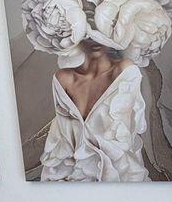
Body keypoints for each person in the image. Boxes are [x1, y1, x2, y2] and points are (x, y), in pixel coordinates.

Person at [41, 40, 148, 183]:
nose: (94, 40)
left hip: (116, 176)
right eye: (87, 34)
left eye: (99, 31)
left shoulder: (125, 71)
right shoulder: (63, 79)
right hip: (66, 177)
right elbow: (61, 139)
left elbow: (126, 136)